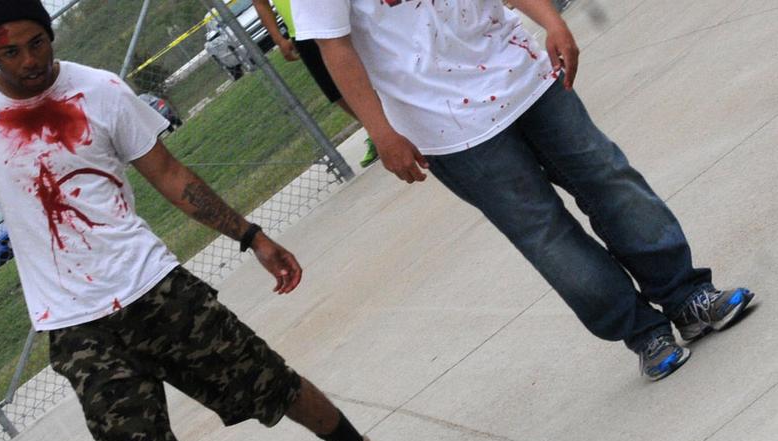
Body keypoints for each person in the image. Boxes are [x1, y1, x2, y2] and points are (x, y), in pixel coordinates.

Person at [0, 1, 429, 441]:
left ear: (50, 35)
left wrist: (251, 236)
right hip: (74, 326)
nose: (30, 61)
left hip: (154, 287)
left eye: (37, 44)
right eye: (10, 52)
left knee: (270, 383)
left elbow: (171, 176)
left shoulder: (99, 91)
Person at [292, 0, 754, 381]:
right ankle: (642, 332)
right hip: (445, 123)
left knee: (609, 178)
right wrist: (381, 131)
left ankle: (686, 296)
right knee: (546, 234)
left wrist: (550, 19)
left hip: (521, 71)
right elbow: (334, 46)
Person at [250, 0, 380, 168]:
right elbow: (260, 3)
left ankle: (391, 121)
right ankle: (375, 130)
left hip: (331, 16)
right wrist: (278, 38)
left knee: (366, 70)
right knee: (334, 91)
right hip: (301, 31)